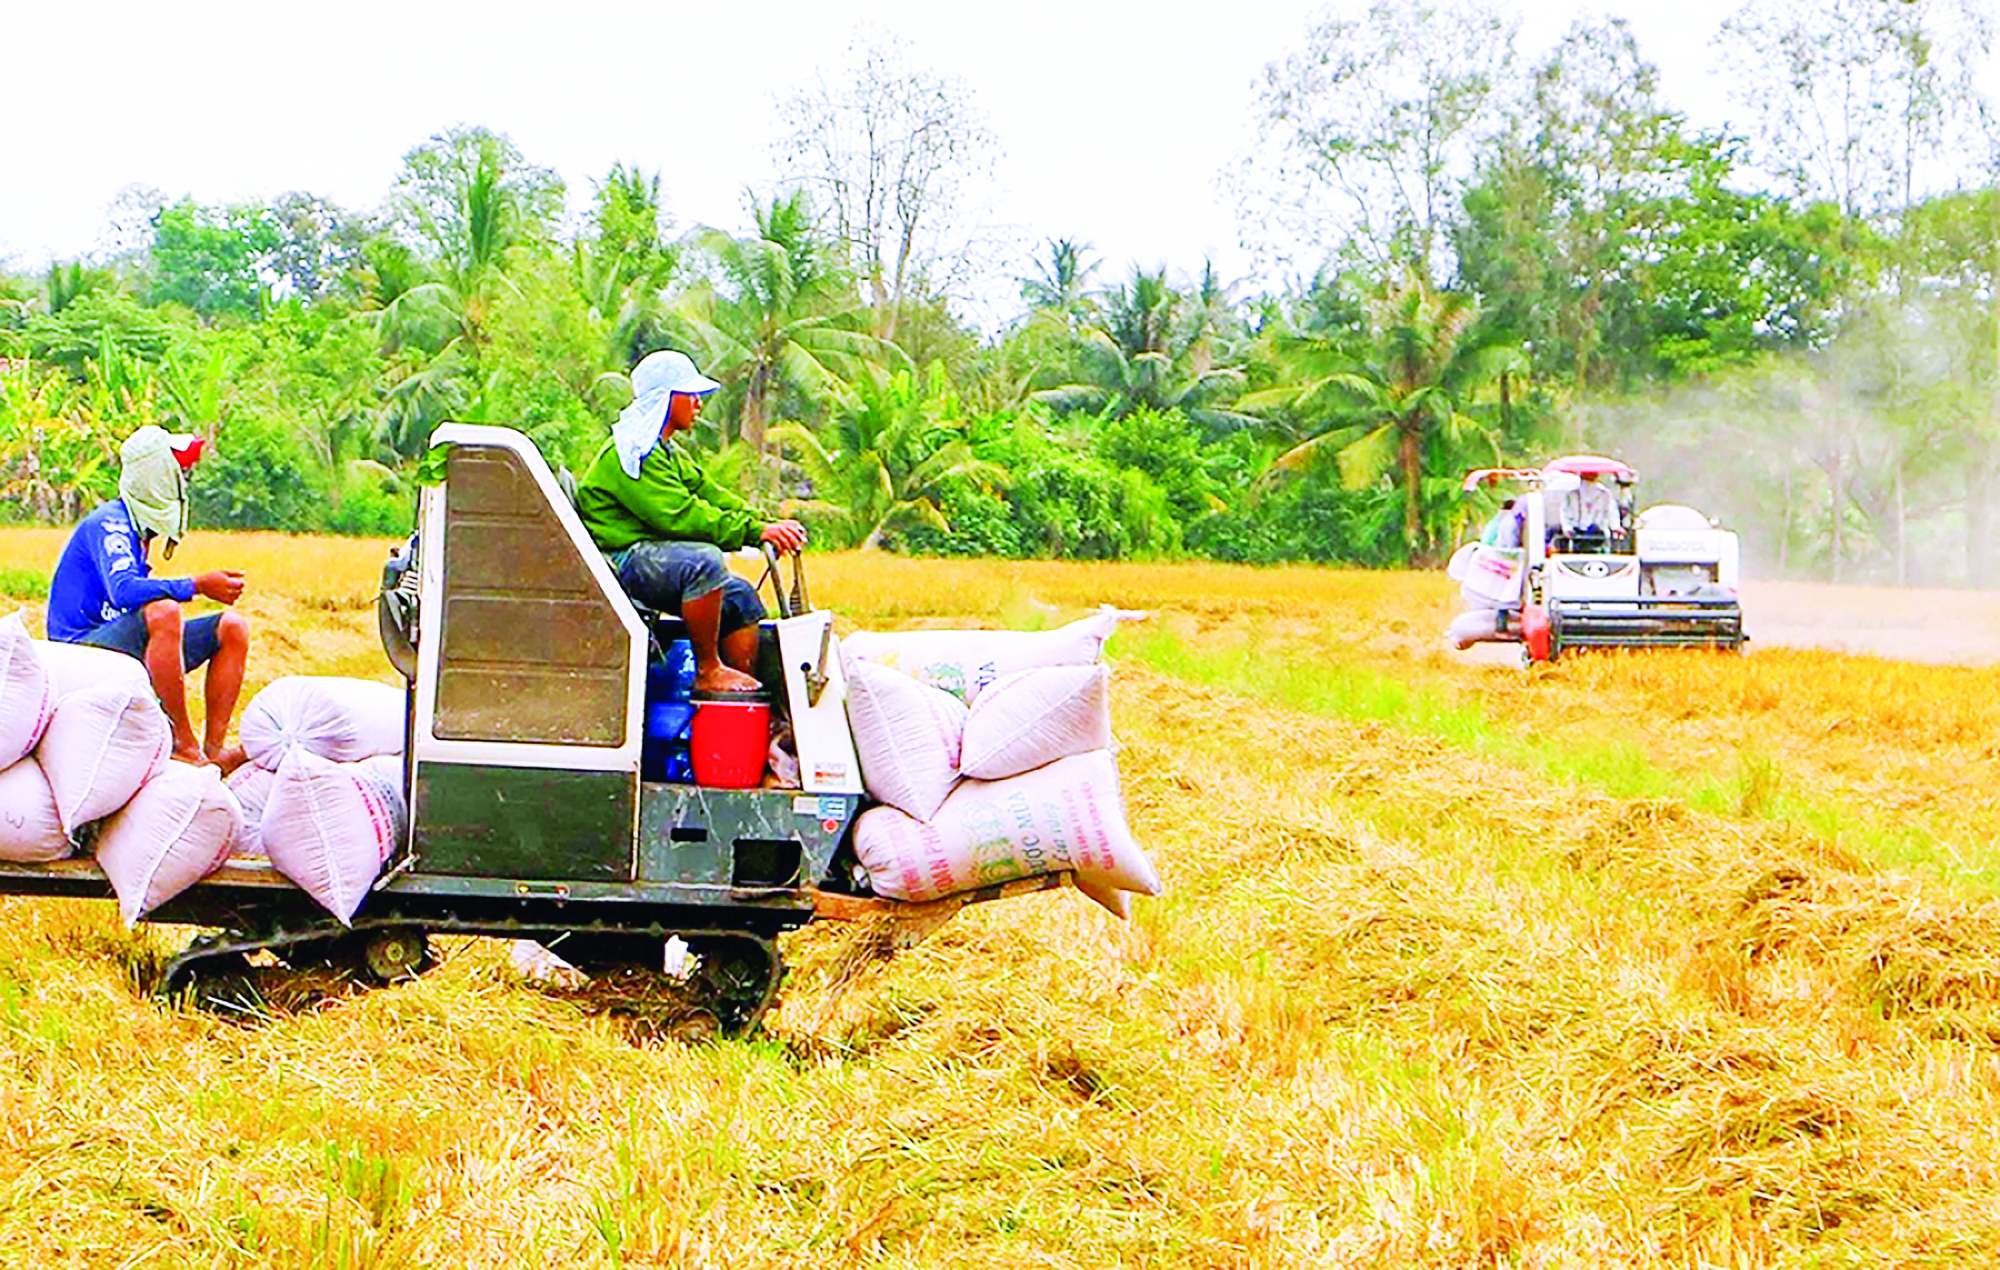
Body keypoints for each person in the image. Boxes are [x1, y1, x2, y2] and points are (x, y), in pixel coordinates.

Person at [574, 350, 807, 695]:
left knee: (741, 597)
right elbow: (680, 516)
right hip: (620, 562)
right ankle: (709, 669)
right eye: (690, 395)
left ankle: (740, 697)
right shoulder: (633, 454)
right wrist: (753, 532)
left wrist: (765, 523)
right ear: (667, 400)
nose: (698, 403)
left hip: (647, 556)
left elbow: (711, 494)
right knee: (704, 562)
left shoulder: (666, 451)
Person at [46, 426, 251, 770]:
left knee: (233, 627)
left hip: (118, 644)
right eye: (178, 475)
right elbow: (123, 591)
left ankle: (213, 750)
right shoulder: (111, 524)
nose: (183, 486)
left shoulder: (140, 533)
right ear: (156, 478)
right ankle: (182, 745)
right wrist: (197, 585)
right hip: (80, 649)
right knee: (164, 612)